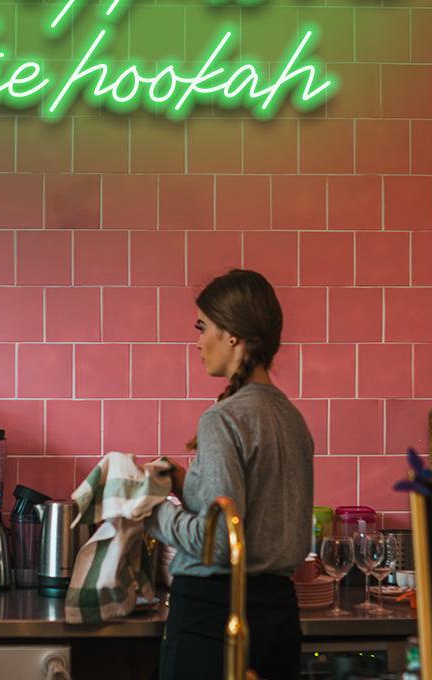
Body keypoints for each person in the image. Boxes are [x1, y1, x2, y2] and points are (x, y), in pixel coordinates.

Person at [147, 269, 314, 680]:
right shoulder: (292, 419)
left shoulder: (223, 419)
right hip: (279, 618)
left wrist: (151, 510)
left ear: (233, 335)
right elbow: (251, 514)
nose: (198, 341)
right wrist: (185, 484)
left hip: (214, 617)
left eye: (203, 327)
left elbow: (221, 543)